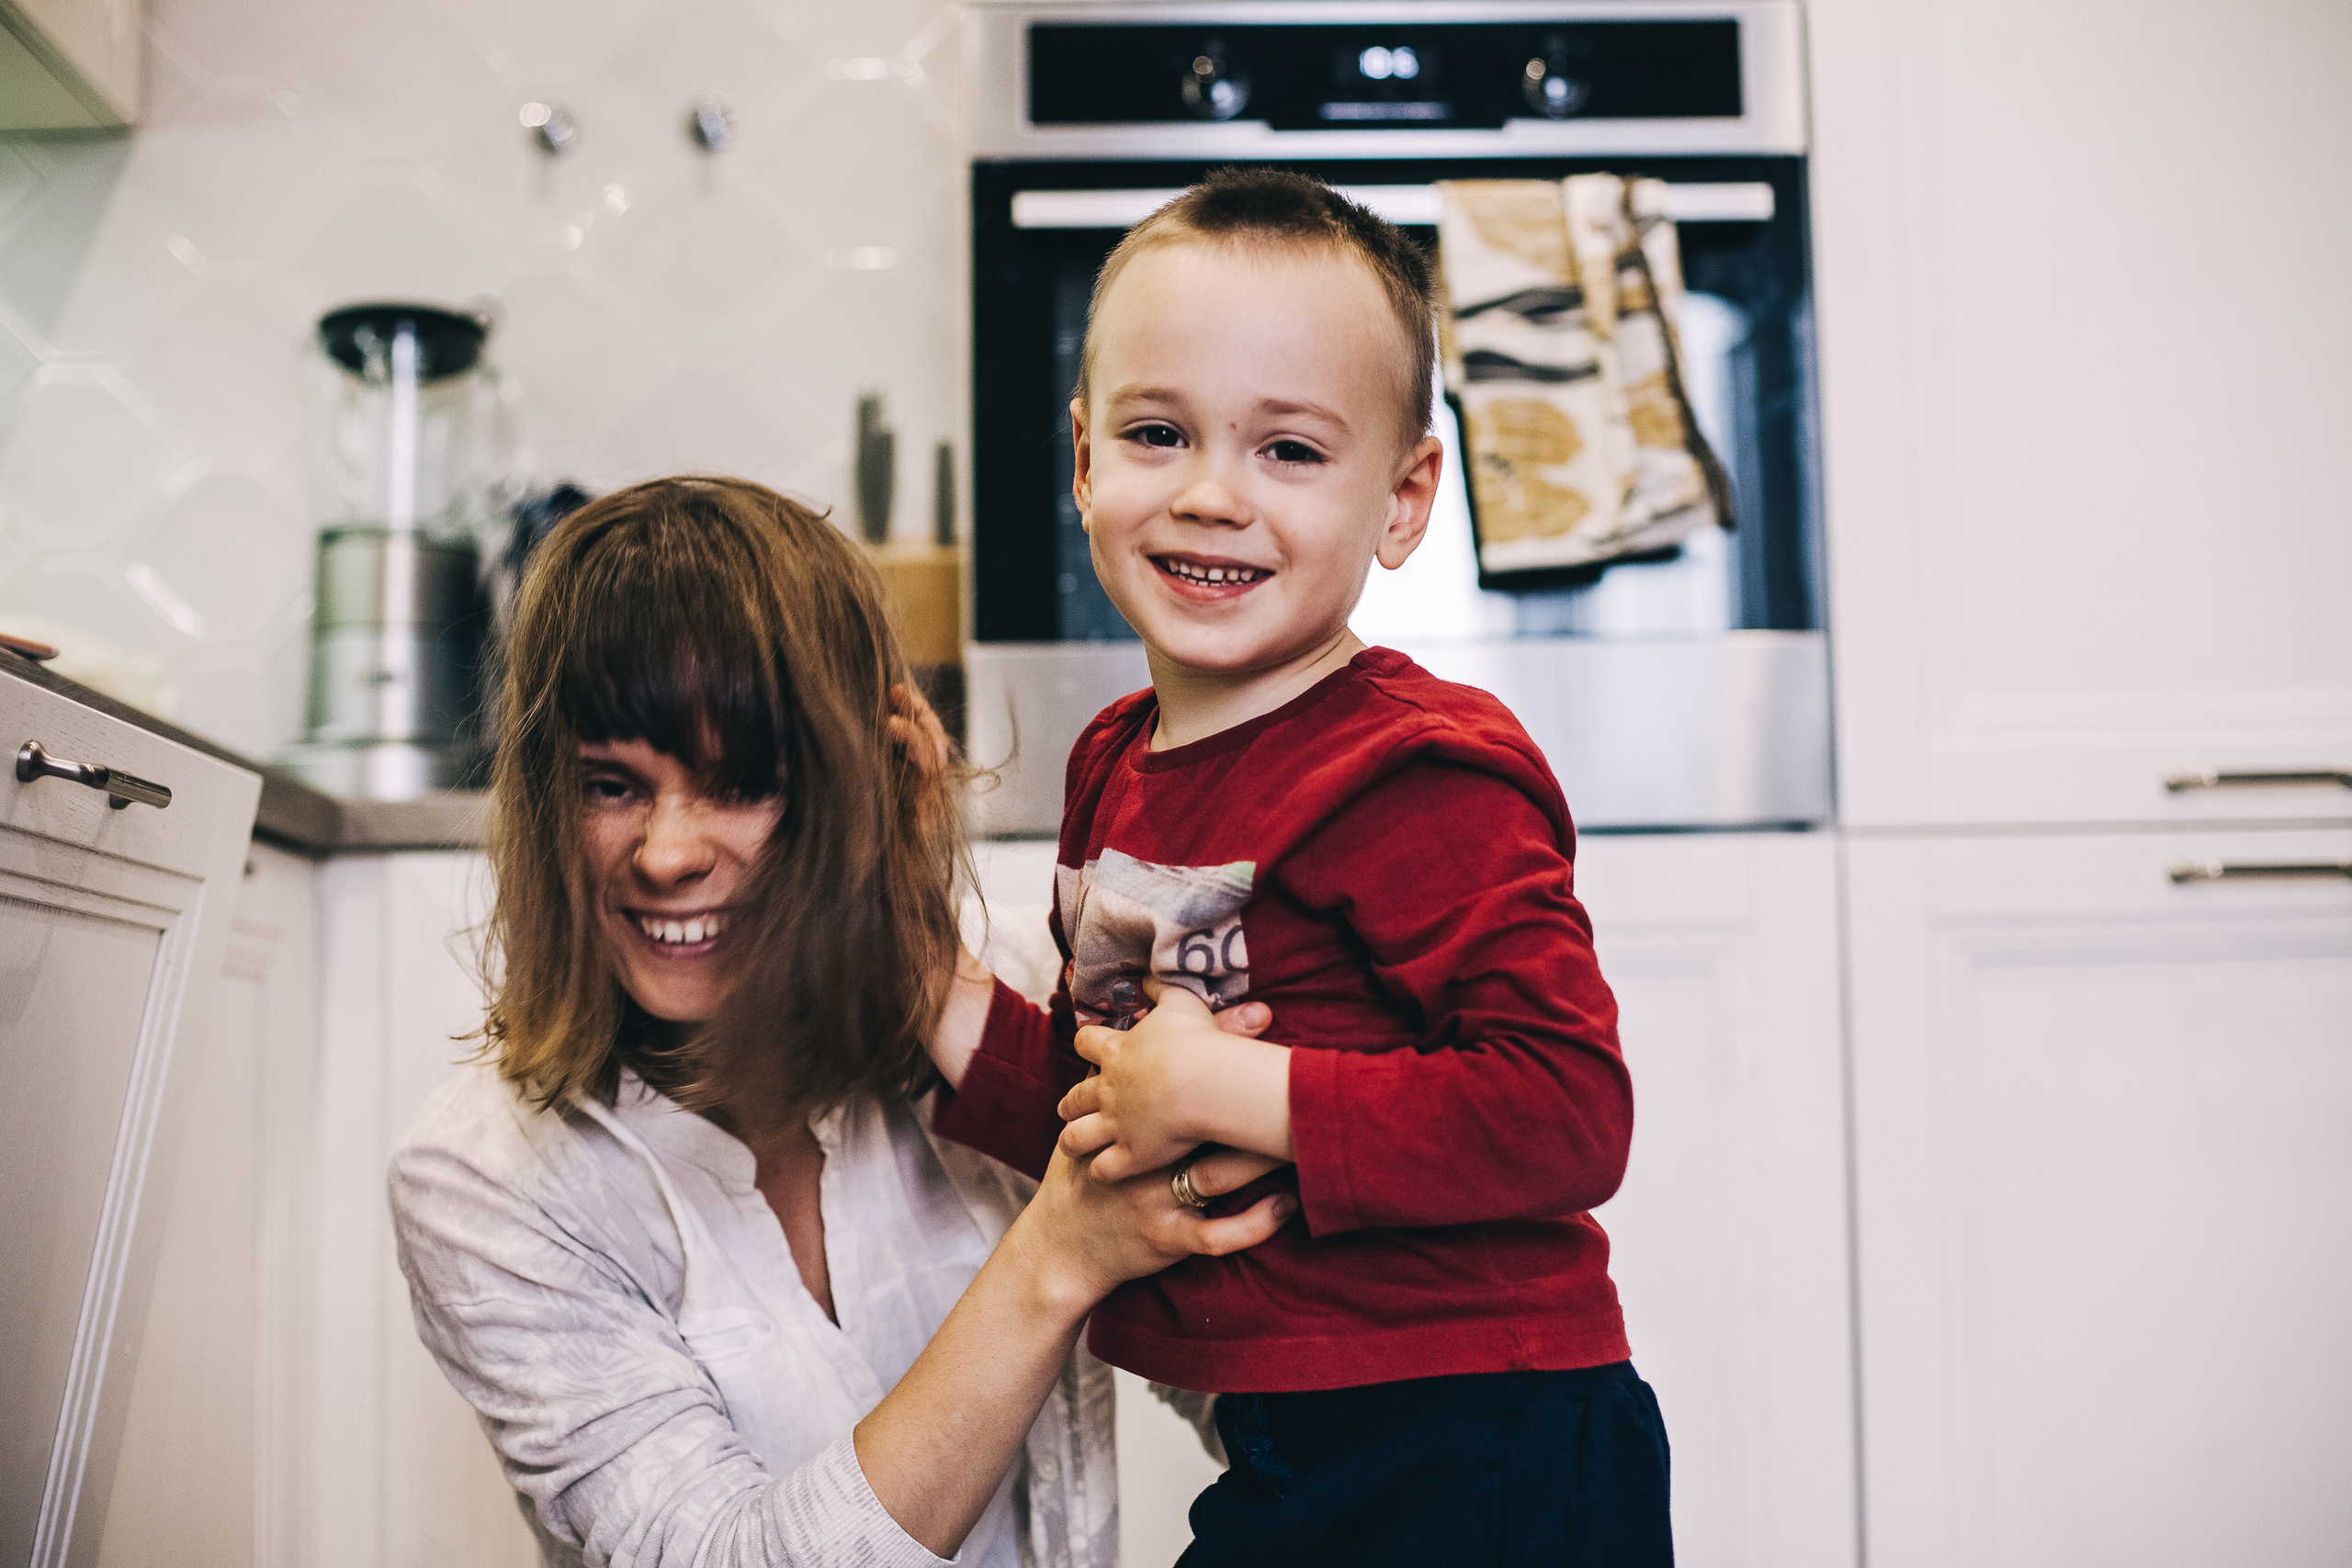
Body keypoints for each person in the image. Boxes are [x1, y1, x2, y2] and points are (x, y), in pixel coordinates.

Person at [927, 171, 1674, 1564]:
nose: (1214, 493)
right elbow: (1120, 1114)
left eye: (1289, 451)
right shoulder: (1112, 763)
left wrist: (1237, 1086)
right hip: (1297, 1432)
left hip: (1487, 1437)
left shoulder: (1416, 770)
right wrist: (922, 987)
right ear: (1084, 460)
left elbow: (1569, 1109)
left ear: (1403, 499)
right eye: (1160, 433)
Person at [387, 476, 1295, 1568]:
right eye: (611, 786)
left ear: (852, 779)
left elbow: (1276, 1385)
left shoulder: (1022, 995)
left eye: (743, 784)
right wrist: (1060, 1251)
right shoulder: (482, 1180)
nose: (667, 854)